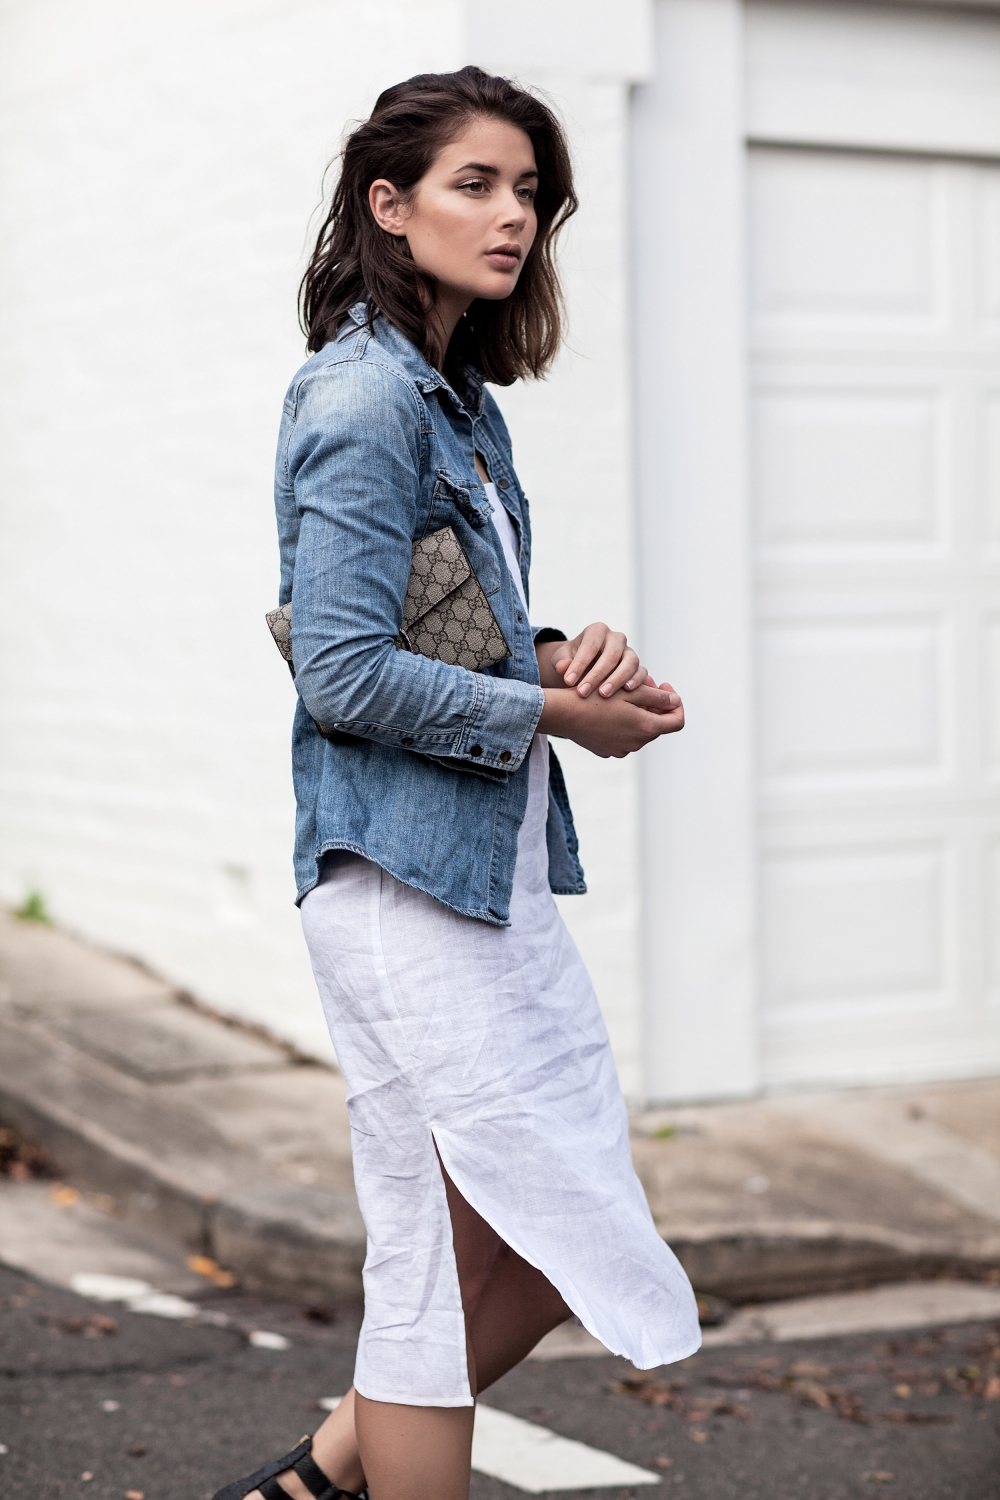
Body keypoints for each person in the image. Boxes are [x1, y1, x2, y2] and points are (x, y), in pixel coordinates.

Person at [215, 64, 699, 1500]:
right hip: (399, 887)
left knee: (544, 1238)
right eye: (475, 184)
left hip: (479, 886)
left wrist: (568, 658)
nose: (513, 217)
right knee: (448, 1257)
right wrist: (553, 713)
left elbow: (438, 624)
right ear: (390, 202)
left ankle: (313, 1479)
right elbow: (345, 674)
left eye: (530, 193)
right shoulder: (366, 401)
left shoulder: (458, 402)